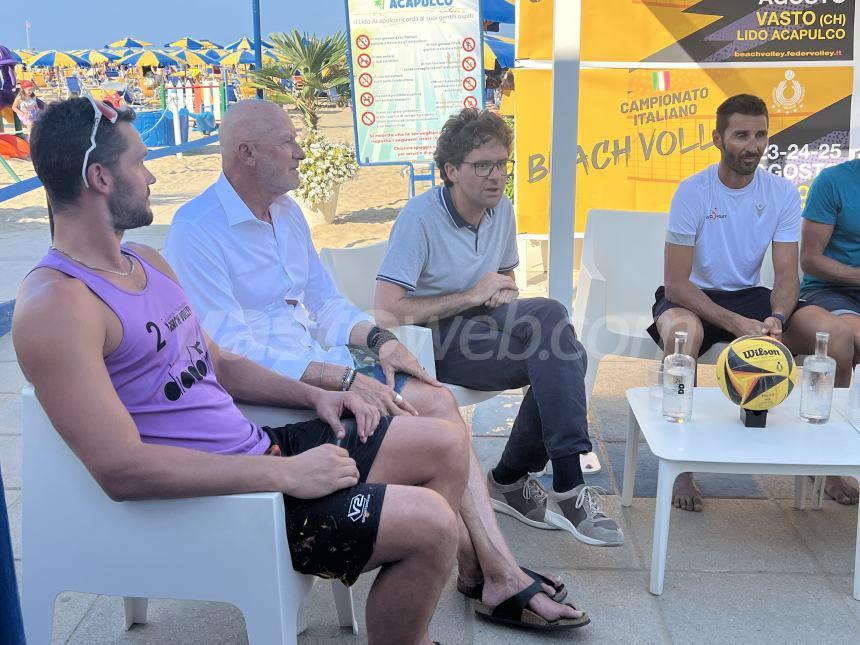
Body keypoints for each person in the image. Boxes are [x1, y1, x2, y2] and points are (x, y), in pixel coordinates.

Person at [13, 96, 473, 645]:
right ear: (100, 178)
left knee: (446, 442)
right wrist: (287, 475)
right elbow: (121, 471)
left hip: (258, 448)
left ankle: (396, 587)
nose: (153, 174)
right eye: (139, 162)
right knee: (433, 523)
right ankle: (401, 577)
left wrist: (316, 397)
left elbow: (221, 365)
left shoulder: (145, 264)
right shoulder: (57, 306)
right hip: (229, 500)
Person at [164, 100, 589, 632]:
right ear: (246, 154)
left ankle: (480, 568)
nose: (301, 152)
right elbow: (229, 352)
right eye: (287, 142)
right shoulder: (196, 230)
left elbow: (326, 303)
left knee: (434, 398)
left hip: (332, 368)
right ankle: (484, 570)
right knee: (438, 435)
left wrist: (380, 340)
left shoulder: (287, 214)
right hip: (272, 402)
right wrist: (340, 378)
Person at [374, 108, 624, 551]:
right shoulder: (420, 218)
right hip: (434, 336)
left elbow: (505, 282)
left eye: (502, 164)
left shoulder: (501, 208)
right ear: (451, 170)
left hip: (486, 320)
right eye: (482, 165)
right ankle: (545, 482)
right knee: (570, 354)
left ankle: (531, 481)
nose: (496, 176)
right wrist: (471, 296)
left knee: (551, 325)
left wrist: (502, 298)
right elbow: (388, 311)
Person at [646, 93, 856, 512]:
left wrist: (777, 317)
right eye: (741, 135)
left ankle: (827, 459)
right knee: (683, 335)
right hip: (693, 296)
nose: (753, 145)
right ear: (718, 139)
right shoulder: (693, 192)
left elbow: (784, 275)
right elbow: (675, 284)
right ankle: (680, 464)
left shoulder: (780, 192)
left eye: (760, 134)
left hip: (754, 298)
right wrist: (738, 323)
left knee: (835, 335)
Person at [796, 156, 860, 505]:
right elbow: (810, 259)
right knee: (848, 339)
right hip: (829, 291)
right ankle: (828, 460)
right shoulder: (834, 181)